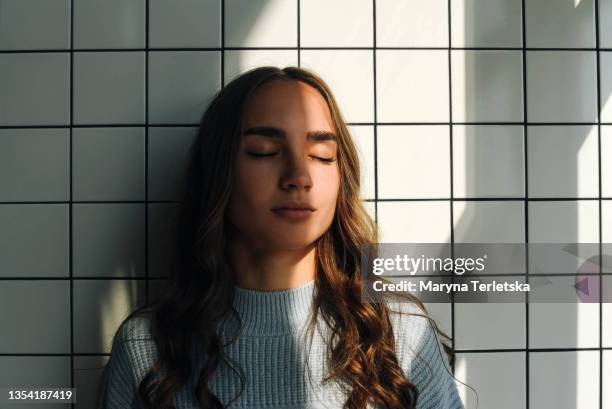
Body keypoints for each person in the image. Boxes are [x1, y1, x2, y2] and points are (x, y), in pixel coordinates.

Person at [96, 66, 467, 409]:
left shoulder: (398, 335)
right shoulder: (147, 347)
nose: (299, 176)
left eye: (322, 155)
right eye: (264, 151)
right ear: (218, 172)